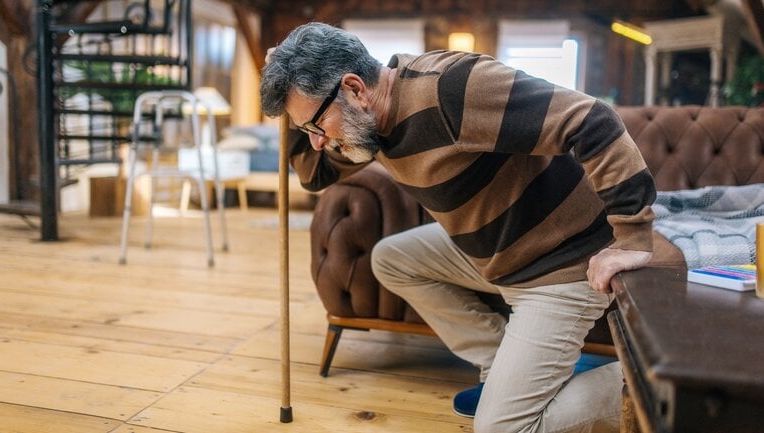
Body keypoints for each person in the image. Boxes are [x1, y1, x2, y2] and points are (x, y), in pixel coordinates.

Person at [261, 22, 655, 433]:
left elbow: (593, 120)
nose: (319, 141)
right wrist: (290, 106)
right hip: (502, 254)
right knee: (392, 259)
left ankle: (652, 386)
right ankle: (499, 359)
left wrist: (631, 235)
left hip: (561, 265)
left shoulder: (452, 89)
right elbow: (315, 175)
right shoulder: (366, 126)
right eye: (309, 130)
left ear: (356, 89)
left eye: (317, 127)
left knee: (502, 428)